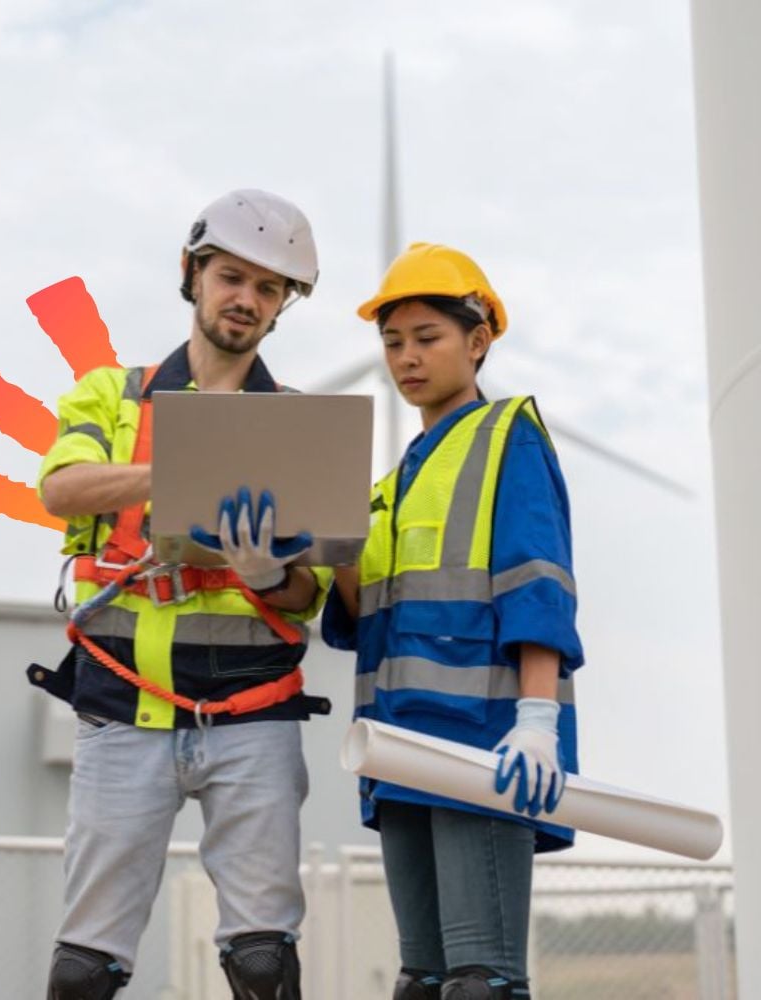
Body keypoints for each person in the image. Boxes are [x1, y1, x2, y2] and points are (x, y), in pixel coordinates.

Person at [30, 189, 330, 1000]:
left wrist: (274, 575)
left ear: (282, 307)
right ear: (194, 275)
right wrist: (184, 470)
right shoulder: (112, 396)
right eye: (232, 277)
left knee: (265, 962)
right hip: (123, 710)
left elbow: (312, 592)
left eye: (270, 289)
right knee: (84, 969)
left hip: (254, 717)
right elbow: (62, 489)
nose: (247, 300)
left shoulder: (301, 426)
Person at [323, 242, 584, 1000]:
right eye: (392, 341)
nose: (406, 357)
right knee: (424, 982)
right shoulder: (393, 482)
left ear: (478, 340)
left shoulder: (508, 438)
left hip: (485, 746)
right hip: (398, 748)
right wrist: (327, 543)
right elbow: (358, 615)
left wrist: (538, 719)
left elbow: (539, 582)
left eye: (426, 338)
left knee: (480, 984)